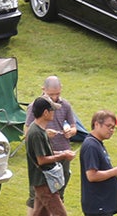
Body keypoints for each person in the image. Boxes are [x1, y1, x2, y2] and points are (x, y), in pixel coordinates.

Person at [26, 76, 81, 212]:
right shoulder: (37, 130)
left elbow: (74, 126)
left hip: (52, 165)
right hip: (44, 175)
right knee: (56, 210)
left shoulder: (65, 105)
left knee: (42, 209)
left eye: (57, 94)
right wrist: (62, 155)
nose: (55, 98)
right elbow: (41, 159)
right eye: (51, 95)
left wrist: (70, 133)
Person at [80, 110, 117, 216]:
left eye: (113, 127)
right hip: (97, 206)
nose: (111, 130)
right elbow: (92, 175)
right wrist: (114, 172)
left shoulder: (97, 143)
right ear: (96, 124)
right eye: (108, 126)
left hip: (103, 204)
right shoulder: (91, 146)